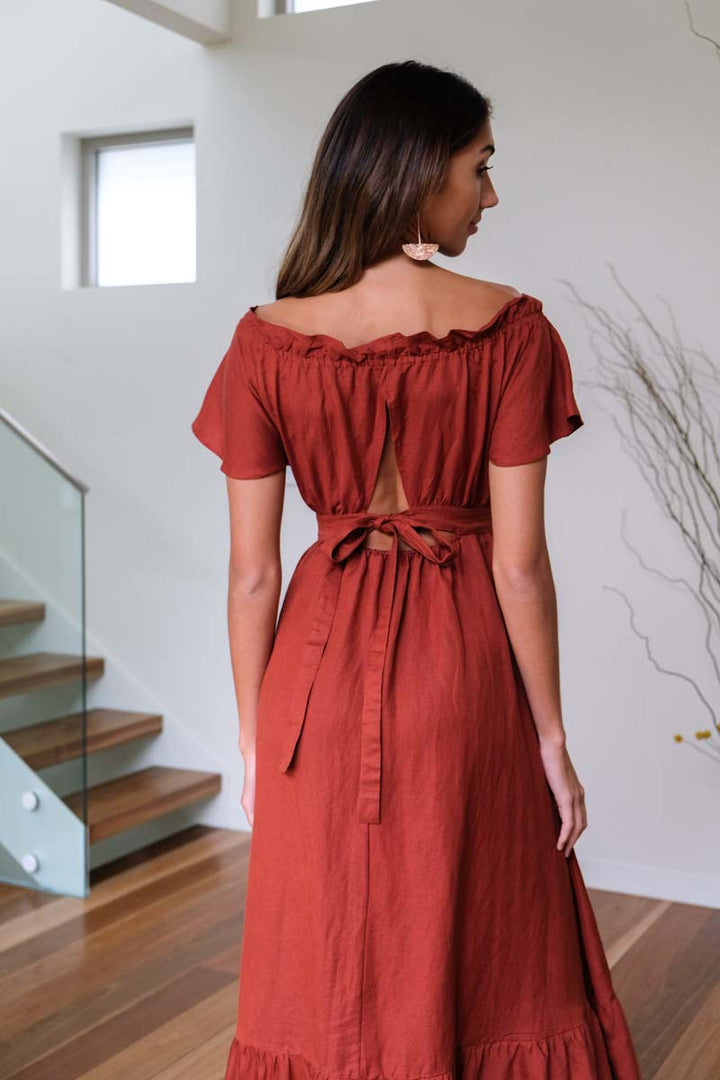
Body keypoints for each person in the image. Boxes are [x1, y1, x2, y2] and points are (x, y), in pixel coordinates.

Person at [192, 59, 641, 1080]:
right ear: (418, 169)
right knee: (490, 933)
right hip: (463, 664)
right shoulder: (511, 329)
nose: (491, 195)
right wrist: (554, 739)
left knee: (325, 948)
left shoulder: (264, 343)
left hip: (311, 680)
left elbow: (253, 576)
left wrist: (256, 736)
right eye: (479, 167)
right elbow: (520, 566)